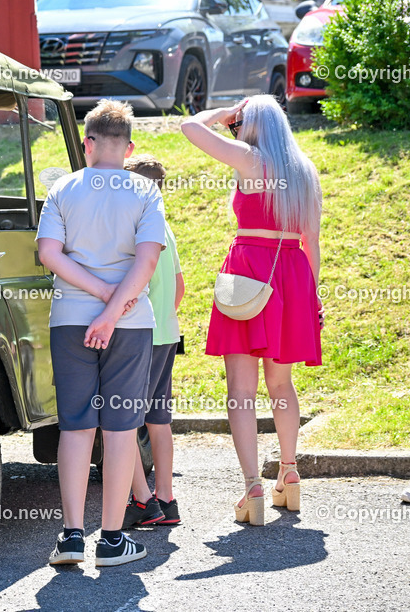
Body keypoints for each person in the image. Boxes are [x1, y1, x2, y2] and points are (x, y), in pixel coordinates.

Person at [181, 95, 322, 526]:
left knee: (241, 392)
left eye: (238, 123)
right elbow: (312, 242)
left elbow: (189, 127)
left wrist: (223, 114)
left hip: (248, 275)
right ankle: (289, 474)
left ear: (250, 125)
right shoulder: (304, 170)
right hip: (293, 275)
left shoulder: (250, 160)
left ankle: (252, 488)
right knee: (282, 385)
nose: (233, 129)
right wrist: (313, 297)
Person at [37, 99, 165, 567]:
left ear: (87, 143)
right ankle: (112, 539)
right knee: (119, 428)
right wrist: (112, 310)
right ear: (129, 148)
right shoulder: (145, 192)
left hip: (69, 318)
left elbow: (50, 253)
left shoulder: (63, 188)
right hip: (130, 323)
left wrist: (96, 294)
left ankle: (71, 536)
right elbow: (148, 261)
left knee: (75, 425)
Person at [121, 155, 185, 528]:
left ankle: (143, 501)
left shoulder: (134, 229)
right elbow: (179, 288)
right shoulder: (165, 227)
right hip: (165, 335)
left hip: (138, 335)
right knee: (158, 419)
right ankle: (166, 497)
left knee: (122, 420)